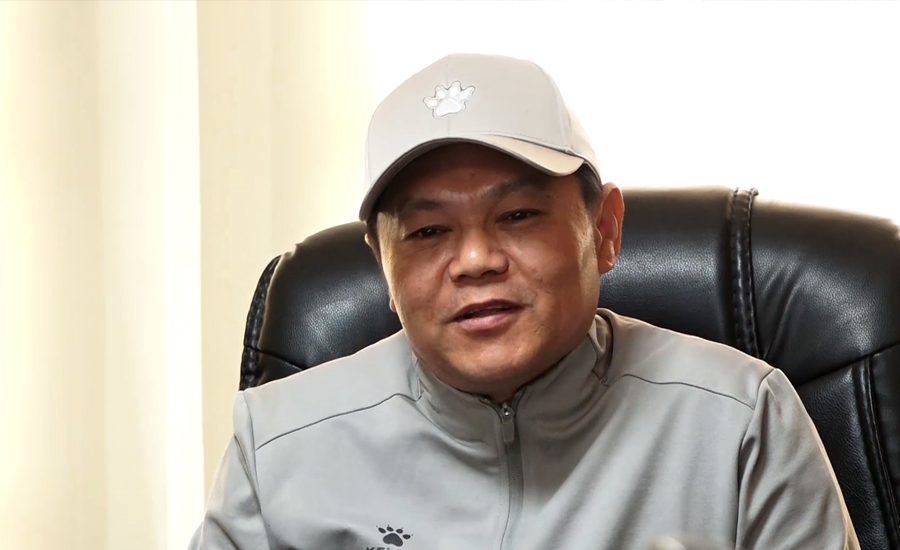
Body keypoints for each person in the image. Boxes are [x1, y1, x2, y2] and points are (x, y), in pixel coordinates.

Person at [190, 53, 859, 550]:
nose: (475, 261)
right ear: (384, 267)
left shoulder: (740, 420)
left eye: (517, 216)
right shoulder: (276, 444)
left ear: (604, 230)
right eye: (427, 232)